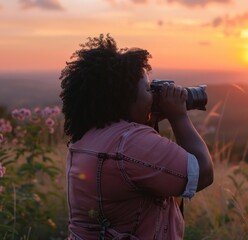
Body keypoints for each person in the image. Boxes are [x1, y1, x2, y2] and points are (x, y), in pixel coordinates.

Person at [59, 34, 214, 240]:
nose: (153, 95)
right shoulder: (130, 143)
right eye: (148, 89)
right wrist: (179, 117)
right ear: (125, 96)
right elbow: (203, 173)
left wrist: (147, 120)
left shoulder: (87, 135)